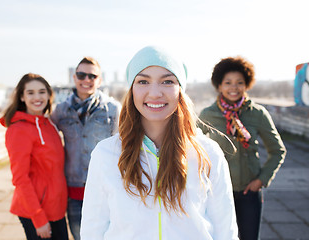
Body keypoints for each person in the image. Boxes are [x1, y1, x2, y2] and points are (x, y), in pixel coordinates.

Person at [80, 46, 239, 240]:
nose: (155, 93)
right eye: (143, 81)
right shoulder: (106, 153)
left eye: (167, 81)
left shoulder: (208, 153)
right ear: (131, 90)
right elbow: (92, 229)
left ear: (180, 90)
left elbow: (225, 230)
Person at [199, 56, 287, 240]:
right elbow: (192, 148)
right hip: (218, 192)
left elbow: (277, 150)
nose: (234, 87)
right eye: (228, 82)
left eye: (239, 82)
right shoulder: (208, 115)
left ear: (247, 84)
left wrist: (261, 180)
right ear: (219, 85)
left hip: (249, 192)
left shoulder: (258, 114)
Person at [51, 57, 121, 240]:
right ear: (74, 78)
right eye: (82, 75)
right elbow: (44, 134)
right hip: (74, 191)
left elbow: (122, 145)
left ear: (100, 80)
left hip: (104, 188)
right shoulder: (61, 110)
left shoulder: (113, 109)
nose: (86, 80)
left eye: (92, 75)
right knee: (80, 236)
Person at [0, 73, 69, 240]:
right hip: (36, 211)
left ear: (49, 95)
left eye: (42, 92)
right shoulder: (18, 130)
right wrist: (38, 218)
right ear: (22, 97)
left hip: (57, 209)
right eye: (30, 93)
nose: (37, 97)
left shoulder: (48, 124)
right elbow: (20, 178)